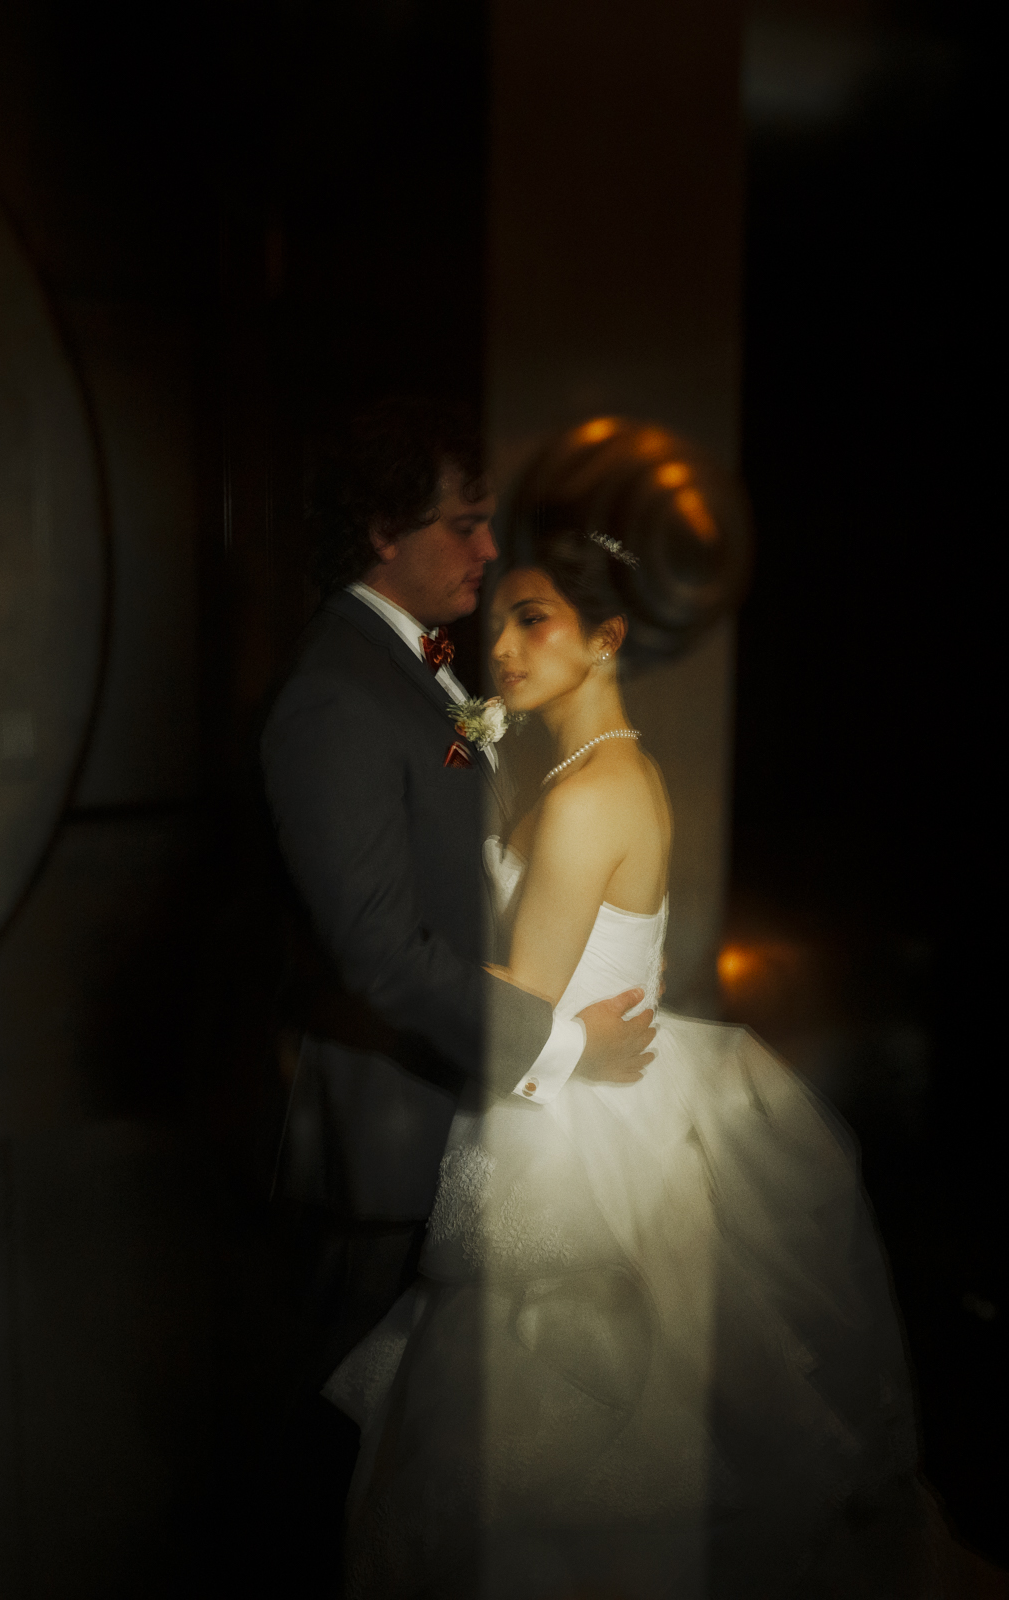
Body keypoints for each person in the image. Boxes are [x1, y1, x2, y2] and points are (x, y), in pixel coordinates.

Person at [332, 497, 981, 1600]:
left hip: (571, 1132)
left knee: (566, 1449)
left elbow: (520, 1003)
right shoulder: (575, 774)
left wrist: (396, 953)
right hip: (568, 1087)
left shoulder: (592, 797)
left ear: (607, 637)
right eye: (498, 623)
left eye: (533, 620)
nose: (501, 647)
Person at [259, 399, 660, 1546]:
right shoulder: (335, 693)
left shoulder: (412, 670)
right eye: (467, 525)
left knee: (415, 1439)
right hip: (376, 1130)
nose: (488, 556)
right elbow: (380, 952)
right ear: (385, 528)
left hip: (449, 1102)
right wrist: (566, 1043)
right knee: (346, 1437)